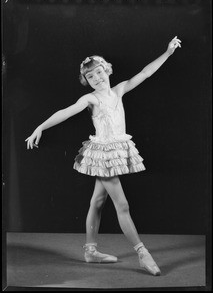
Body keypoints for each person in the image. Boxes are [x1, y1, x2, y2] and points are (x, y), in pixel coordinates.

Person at [25, 36, 181, 276]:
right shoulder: (91, 99)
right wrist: (40, 127)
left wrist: (168, 53)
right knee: (123, 205)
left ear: (107, 70)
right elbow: (65, 112)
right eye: (90, 76)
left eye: (99, 72)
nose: (96, 78)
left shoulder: (119, 90)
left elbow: (146, 73)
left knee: (97, 202)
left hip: (117, 149)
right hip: (104, 155)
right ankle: (142, 253)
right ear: (86, 81)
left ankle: (90, 251)